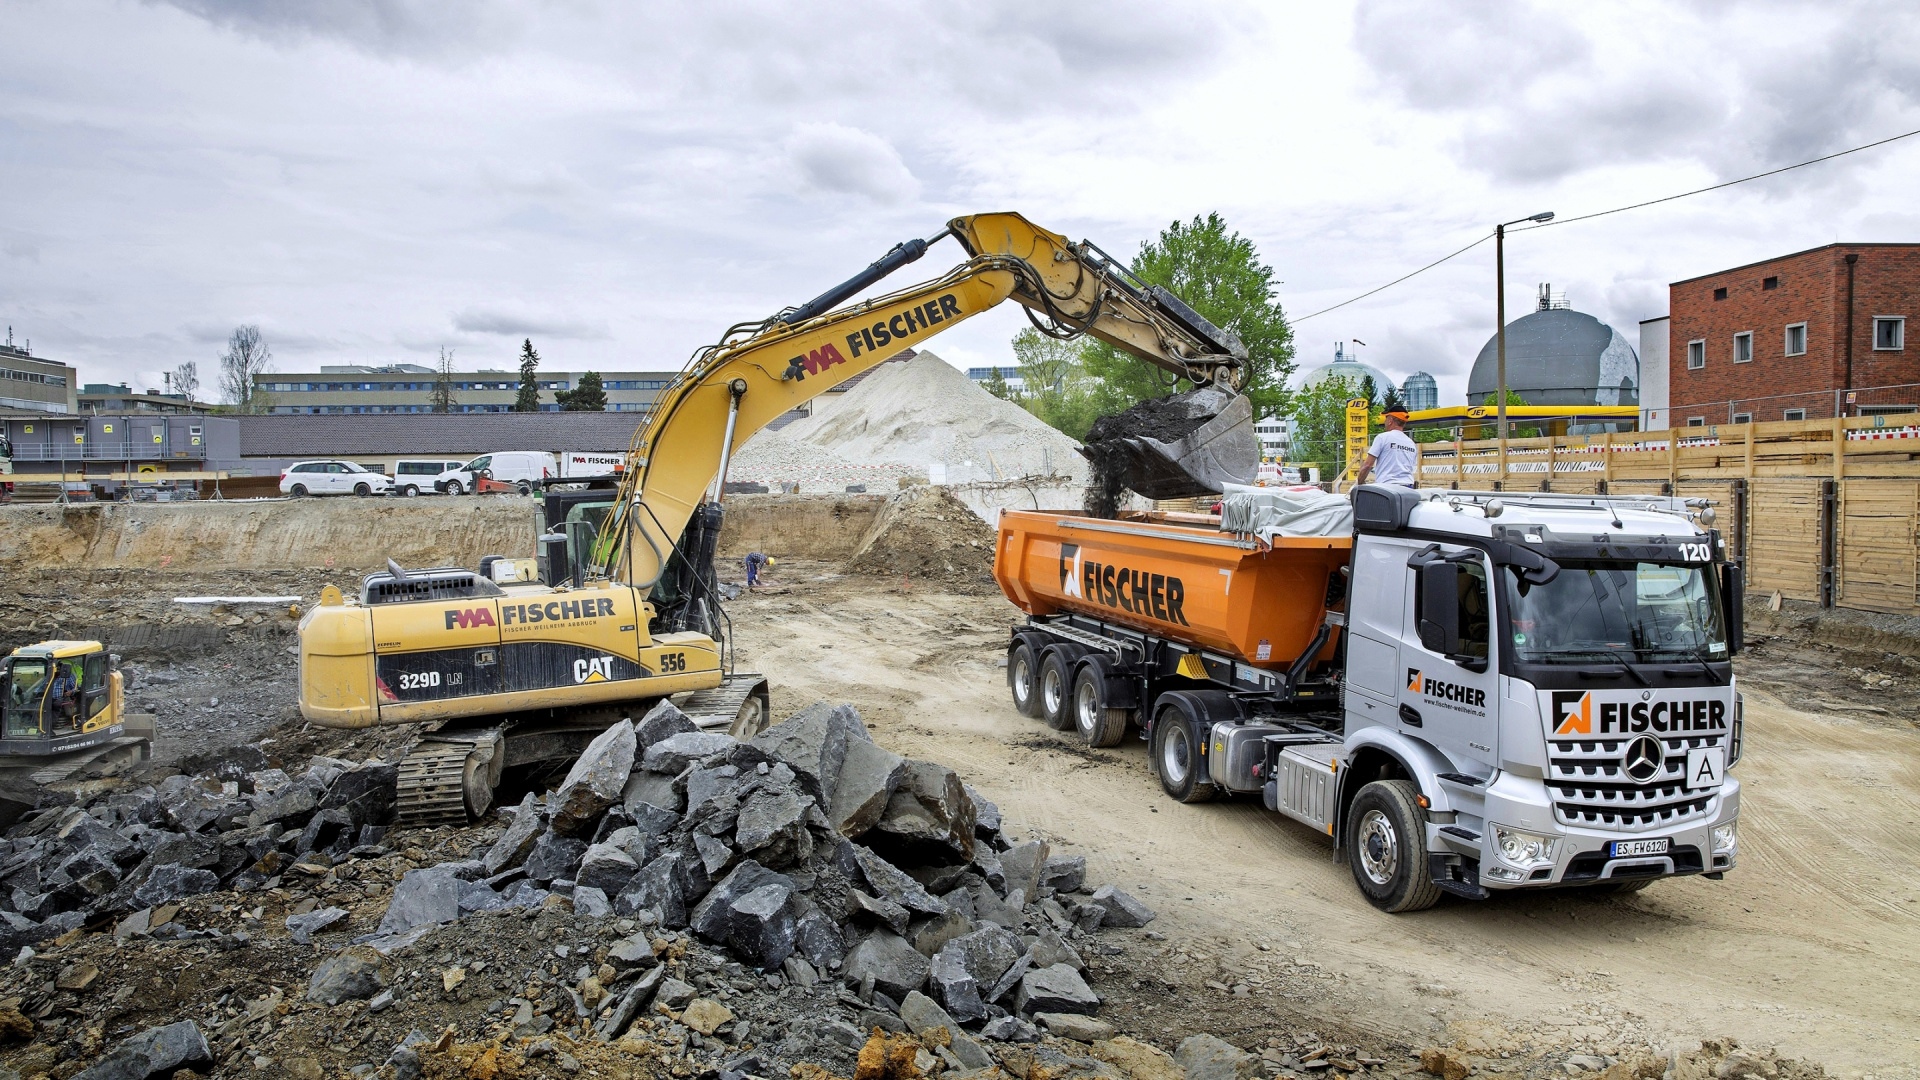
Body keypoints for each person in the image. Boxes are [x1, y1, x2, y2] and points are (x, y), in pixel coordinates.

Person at [1355, 409, 1418, 488]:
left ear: (1390, 420)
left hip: (1387, 488)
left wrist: (1358, 485)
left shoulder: (1382, 438)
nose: (1385, 422)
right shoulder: (1411, 443)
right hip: (1408, 488)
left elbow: (1367, 465)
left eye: (1386, 419)